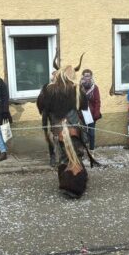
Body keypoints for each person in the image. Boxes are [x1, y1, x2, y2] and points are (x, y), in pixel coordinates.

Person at [37, 54, 98, 198]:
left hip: (58, 131)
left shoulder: (48, 89)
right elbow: (84, 107)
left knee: (64, 158)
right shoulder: (76, 89)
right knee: (76, 157)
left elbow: (41, 107)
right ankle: (75, 186)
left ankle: (68, 185)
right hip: (74, 130)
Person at [80, 69, 102, 151]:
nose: (87, 78)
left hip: (92, 115)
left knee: (91, 133)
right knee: (83, 133)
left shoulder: (95, 88)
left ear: (91, 77)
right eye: (85, 76)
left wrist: (96, 113)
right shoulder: (79, 87)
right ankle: (82, 149)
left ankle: (92, 150)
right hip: (81, 114)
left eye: (88, 76)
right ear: (82, 77)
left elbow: (97, 101)